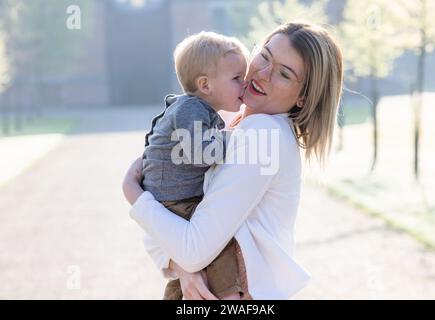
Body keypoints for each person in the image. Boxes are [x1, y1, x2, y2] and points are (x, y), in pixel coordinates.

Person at [123, 21, 343, 300]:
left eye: (284, 74)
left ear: (303, 97)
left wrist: (134, 194)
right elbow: (171, 213)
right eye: (264, 56)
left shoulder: (265, 135)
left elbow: (190, 247)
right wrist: (181, 263)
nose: (263, 74)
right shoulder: (228, 125)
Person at [141, 31, 248, 300]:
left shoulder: (195, 109)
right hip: (175, 200)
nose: (245, 85)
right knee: (217, 246)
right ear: (205, 85)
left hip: (175, 198)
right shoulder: (190, 109)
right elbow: (201, 153)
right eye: (237, 79)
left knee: (193, 261)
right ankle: (228, 298)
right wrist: (238, 139)